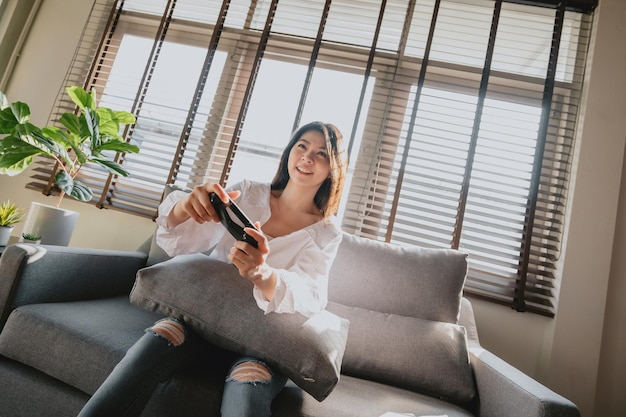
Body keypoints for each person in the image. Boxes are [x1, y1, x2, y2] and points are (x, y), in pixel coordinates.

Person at [77, 121, 348, 417]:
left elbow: (310, 294)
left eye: (321, 154)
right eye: (302, 146)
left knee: (249, 380)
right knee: (161, 335)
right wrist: (185, 206)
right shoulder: (247, 193)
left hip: (264, 344)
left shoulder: (327, 232)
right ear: (289, 152)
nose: (308, 157)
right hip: (202, 321)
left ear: (333, 168)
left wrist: (262, 274)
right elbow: (182, 240)